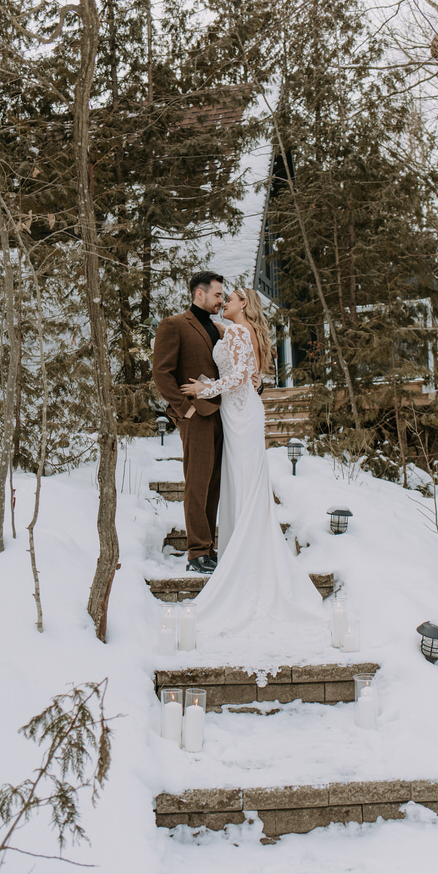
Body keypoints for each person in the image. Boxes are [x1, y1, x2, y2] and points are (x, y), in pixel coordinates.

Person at [180, 288, 323, 635]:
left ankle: (247, 554)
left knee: (244, 480)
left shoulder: (242, 331)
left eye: (229, 298)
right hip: (237, 411)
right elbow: (252, 374)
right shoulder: (240, 331)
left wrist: (204, 390)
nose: (224, 302)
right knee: (239, 481)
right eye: (221, 297)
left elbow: (241, 377)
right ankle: (239, 550)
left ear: (244, 304)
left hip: (241, 413)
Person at [152, 271, 225, 575]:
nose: (222, 300)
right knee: (197, 485)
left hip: (223, 416)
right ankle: (196, 554)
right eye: (218, 295)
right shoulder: (175, 325)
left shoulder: (219, 329)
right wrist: (185, 410)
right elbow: (162, 373)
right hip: (196, 417)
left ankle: (209, 548)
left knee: (214, 486)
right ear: (200, 294)